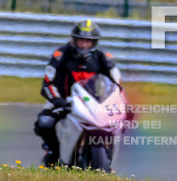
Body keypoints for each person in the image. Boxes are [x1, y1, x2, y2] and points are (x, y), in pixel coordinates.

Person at [34, 20, 122, 167]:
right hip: (63, 100)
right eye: (80, 40)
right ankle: (52, 151)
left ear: (94, 43)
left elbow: (117, 85)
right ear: (74, 39)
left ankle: (108, 160)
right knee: (45, 122)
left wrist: (114, 102)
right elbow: (47, 84)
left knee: (117, 124)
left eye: (87, 41)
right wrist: (58, 100)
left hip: (94, 104)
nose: (83, 45)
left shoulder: (103, 58)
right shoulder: (60, 55)